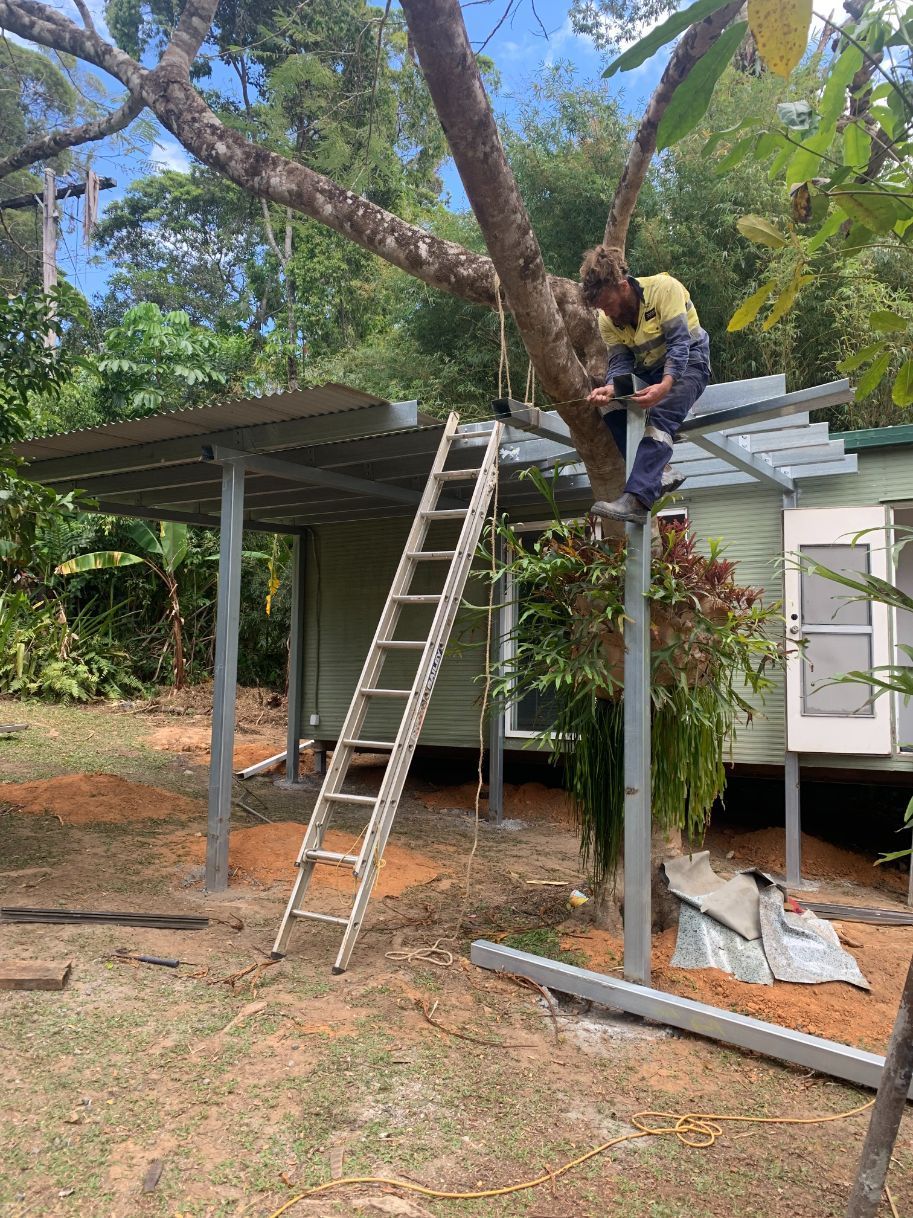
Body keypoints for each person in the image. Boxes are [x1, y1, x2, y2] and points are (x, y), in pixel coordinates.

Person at [580, 245, 711, 524]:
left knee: (660, 415)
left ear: (623, 287)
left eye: (609, 305)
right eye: (602, 309)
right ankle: (662, 470)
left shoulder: (665, 289)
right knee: (609, 408)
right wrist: (613, 388)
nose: (608, 314)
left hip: (690, 363)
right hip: (649, 370)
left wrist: (665, 386)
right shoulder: (607, 320)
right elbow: (620, 362)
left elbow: (680, 345)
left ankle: (637, 500)